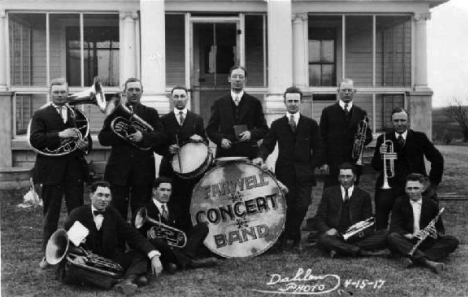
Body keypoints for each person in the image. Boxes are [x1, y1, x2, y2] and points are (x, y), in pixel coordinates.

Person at [56, 181, 163, 295]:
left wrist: (154, 255)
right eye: (100, 195)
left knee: (140, 255)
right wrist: (77, 256)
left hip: (110, 259)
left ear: (111, 198)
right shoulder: (77, 214)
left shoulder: (113, 213)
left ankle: (128, 281)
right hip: (86, 263)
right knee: (73, 272)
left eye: (107, 196)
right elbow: (67, 243)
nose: (103, 199)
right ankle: (120, 280)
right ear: (91, 195)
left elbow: (133, 234)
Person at [29, 78, 92, 269]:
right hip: (51, 172)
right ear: (50, 93)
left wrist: (84, 145)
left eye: (63, 92)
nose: (60, 95)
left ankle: (77, 250)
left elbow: (87, 140)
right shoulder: (40, 114)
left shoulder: (78, 114)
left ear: (67, 93)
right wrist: (60, 135)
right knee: (51, 215)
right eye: (56, 92)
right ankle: (48, 255)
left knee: (77, 213)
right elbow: (35, 139)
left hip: (74, 171)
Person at [253, 87, 323, 250]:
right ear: (285, 102)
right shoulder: (277, 124)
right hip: (284, 174)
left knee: (303, 205)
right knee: (288, 205)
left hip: (304, 174)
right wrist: (260, 156)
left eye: (295, 101)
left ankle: (289, 234)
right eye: (289, 101)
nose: (292, 104)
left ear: (301, 102)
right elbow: (267, 145)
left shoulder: (310, 124)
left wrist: (310, 166)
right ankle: (293, 236)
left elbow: (319, 148)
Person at [98, 78, 166, 221]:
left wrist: (143, 136)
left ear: (142, 92)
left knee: (140, 210)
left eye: (137, 90)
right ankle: (118, 243)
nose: (134, 93)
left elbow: (161, 136)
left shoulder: (151, 113)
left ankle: (137, 241)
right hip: (118, 170)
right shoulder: (115, 113)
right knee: (116, 209)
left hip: (143, 171)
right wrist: (121, 135)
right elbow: (103, 138)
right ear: (124, 92)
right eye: (130, 90)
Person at [371, 107, 444, 229]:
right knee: (382, 202)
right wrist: (380, 154)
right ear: (392, 122)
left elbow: (438, 159)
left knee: (431, 205)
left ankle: (428, 232)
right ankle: (381, 233)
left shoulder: (420, 137)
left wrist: (433, 183)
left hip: (415, 184)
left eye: (402, 120)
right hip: (391, 185)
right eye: (396, 121)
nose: (399, 124)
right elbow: (376, 166)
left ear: (408, 121)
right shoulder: (383, 139)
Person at [136, 177, 217, 273]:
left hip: (177, 246)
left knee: (202, 227)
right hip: (160, 247)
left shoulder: (175, 207)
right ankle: (189, 263)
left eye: (168, 190)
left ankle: (174, 262)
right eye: (162, 190)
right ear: (154, 191)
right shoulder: (145, 210)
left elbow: (184, 230)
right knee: (156, 241)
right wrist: (148, 234)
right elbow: (138, 233)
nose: (165, 193)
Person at [154, 86, 207, 232]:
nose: (179, 99)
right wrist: (167, 150)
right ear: (172, 99)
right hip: (169, 169)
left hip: (192, 170)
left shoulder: (197, 119)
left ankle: (190, 235)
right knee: (170, 202)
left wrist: (200, 139)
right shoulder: (163, 120)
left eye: (182, 96)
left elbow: (206, 143)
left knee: (190, 201)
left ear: (187, 98)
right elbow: (157, 146)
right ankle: (171, 234)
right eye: (176, 96)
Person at [388, 173, 459, 274]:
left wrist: (435, 234)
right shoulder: (399, 202)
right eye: (409, 188)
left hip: (425, 242)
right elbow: (394, 227)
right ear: (405, 189)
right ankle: (428, 262)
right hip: (407, 242)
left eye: (416, 188)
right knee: (392, 237)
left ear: (423, 188)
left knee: (452, 240)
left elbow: (440, 229)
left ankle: (412, 258)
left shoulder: (431, 204)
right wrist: (410, 235)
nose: (412, 191)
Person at [314, 163, 389, 258]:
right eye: (342, 176)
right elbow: (319, 217)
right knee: (324, 239)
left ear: (355, 178)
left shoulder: (364, 195)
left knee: (385, 234)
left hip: (356, 236)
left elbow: (368, 222)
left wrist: (356, 234)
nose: (345, 180)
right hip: (334, 236)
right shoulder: (328, 193)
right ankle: (361, 252)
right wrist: (327, 230)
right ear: (338, 178)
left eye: (348, 176)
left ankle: (341, 250)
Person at [319, 79, 373, 188]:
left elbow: (369, 136)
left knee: (352, 197)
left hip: (353, 163)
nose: (347, 92)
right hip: (333, 163)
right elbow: (321, 138)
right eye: (344, 90)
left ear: (355, 91)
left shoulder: (361, 113)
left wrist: (360, 139)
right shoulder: (327, 112)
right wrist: (323, 162)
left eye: (349, 90)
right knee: (332, 196)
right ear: (338, 91)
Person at [206, 65, 269, 159]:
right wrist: (221, 140)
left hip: (249, 154)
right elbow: (210, 130)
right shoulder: (218, 103)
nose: (237, 79)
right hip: (225, 155)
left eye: (241, 77)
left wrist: (251, 134)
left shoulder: (254, 103)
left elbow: (264, 129)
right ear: (229, 79)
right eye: (234, 76)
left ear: (245, 80)